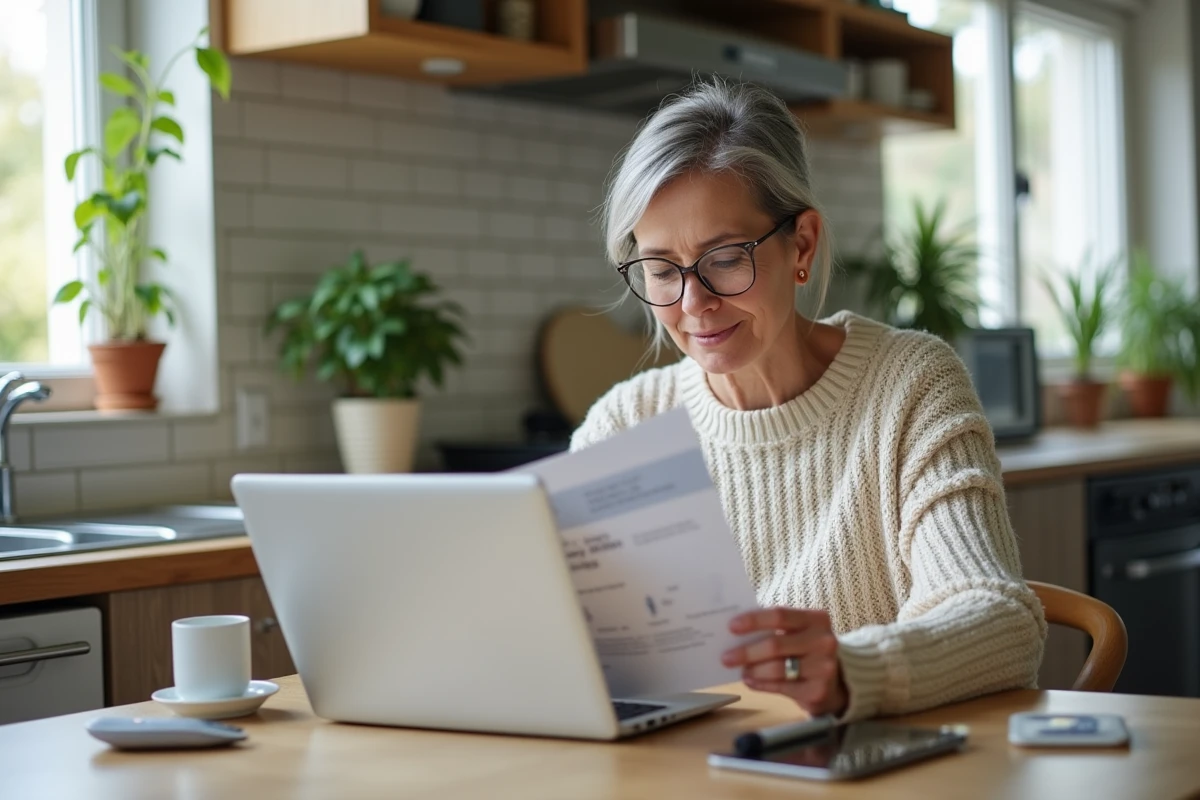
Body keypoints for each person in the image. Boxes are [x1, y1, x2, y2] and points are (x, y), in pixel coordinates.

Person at [570, 78, 1046, 721]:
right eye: (661, 270)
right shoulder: (626, 426)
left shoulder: (909, 385)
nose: (693, 303)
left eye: (726, 258)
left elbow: (1001, 623)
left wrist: (856, 671)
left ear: (802, 245)